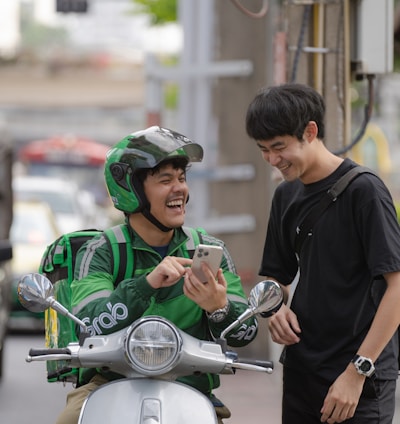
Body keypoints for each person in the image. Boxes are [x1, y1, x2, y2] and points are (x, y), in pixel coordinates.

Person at [55, 126, 257, 424]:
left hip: (191, 390)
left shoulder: (210, 250)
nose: (180, 189)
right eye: (165, 180)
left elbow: (246, 332)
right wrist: (145, 285)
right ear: (132, 190)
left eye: (182, 178)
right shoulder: (102, 251)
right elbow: (88, 325)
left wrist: (219, 308)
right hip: (109, 385)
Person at [245, 83, 400, 423]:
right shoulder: (285, 197)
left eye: (279, 147)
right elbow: (276, 276)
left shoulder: (365, 191)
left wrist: (357, 372)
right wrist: (274, 310)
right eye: (263, 149)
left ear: (310, 131)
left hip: (360, 375)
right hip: (303, 370)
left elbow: (397, 287)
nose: (272, 159)